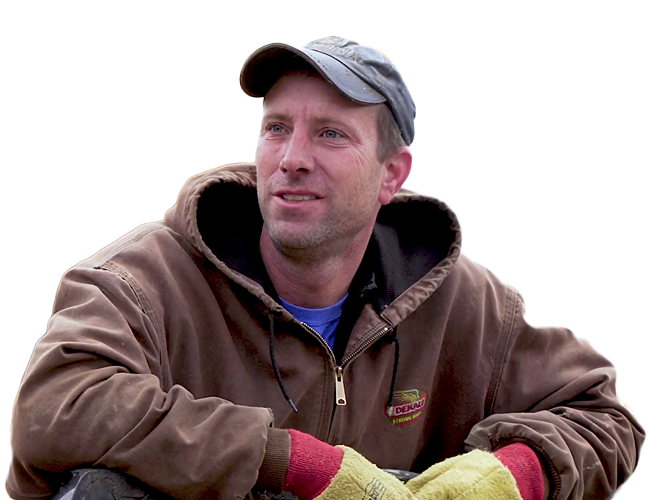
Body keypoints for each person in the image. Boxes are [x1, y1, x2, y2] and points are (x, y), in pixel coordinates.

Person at [5, 36, 645, 500]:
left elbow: (605, 413)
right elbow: (57, 408)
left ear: (391, 174)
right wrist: (292, 461)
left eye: (331, 134)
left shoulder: (464, 303)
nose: (291, 158)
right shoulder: (143, 279)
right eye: (277, 128)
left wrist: (513, 473)